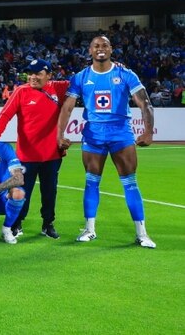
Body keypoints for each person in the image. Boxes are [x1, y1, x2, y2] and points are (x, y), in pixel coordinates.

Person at [57, 35, 156, 248]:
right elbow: (67, 107)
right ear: (90, 51)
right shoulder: (81, 77)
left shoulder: (125, 74)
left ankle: (142, 234)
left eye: (104, 45)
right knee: (91, 181)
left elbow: (145, 103)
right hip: (93, 134)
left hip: (120, 134)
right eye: (96, 46)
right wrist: (60, 134)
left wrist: (148, 132)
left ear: (111, 49)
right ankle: (90, 230)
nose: (100, 49)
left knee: (130, 183)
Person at [0, 59, 69, 239]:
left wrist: (115, 65)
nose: (33, 77)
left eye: (38, 73)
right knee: (22, 192)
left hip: (52, 155)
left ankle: (48, 224)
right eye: (30, 73)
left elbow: (84, 79)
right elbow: (4, 116)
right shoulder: (21, 91)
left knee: (50, 192)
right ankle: (17, 223)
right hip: (26, 156)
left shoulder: (58, 88)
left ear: (49, 75)